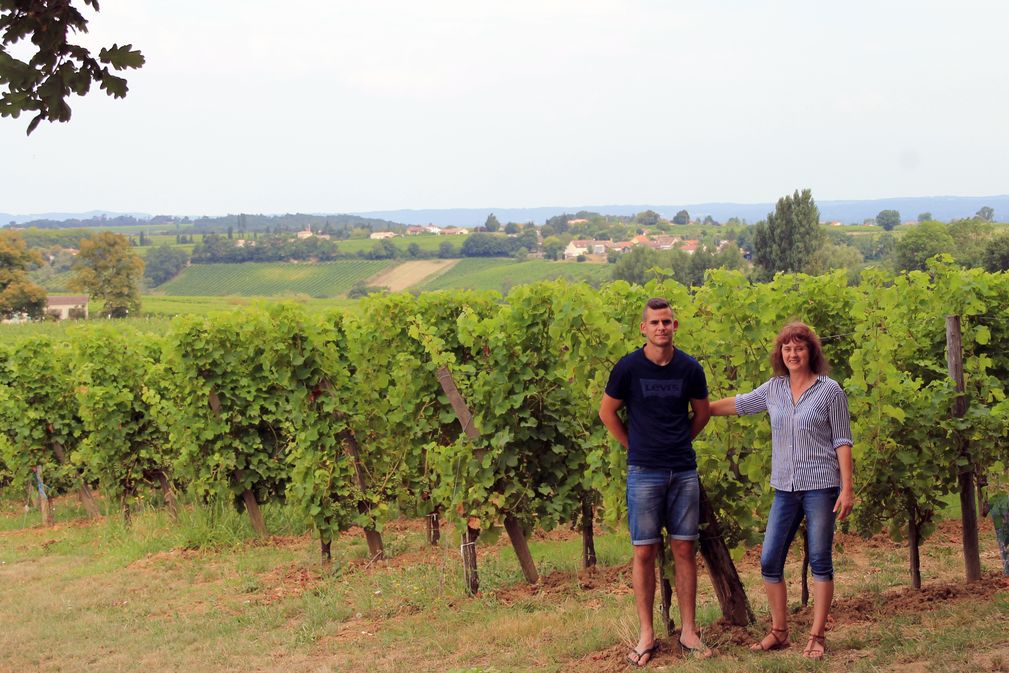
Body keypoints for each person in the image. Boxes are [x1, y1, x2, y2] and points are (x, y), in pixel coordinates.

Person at [709, 321, 854, 659]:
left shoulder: (830, 391)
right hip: (785, 489)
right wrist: (700, 409)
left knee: (820, 560)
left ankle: (817, 635)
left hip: (822, 487)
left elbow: (842, 441)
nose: (793, 353)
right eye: (787, 348)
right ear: (781, 353)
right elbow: (740, 404)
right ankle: (780, 631)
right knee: (769, 560)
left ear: (811, 352)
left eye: (799, 347)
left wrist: (847, 488)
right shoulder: (774, 388)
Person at [599, 297, 711, 667]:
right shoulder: (628, 368)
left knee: (684, 550)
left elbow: (702, 412)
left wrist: (680, 441)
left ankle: (689, 631)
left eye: (667, 322)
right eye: (655, 323)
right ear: (643, 329)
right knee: (644, 552)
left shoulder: (690, 369)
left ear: (675, 326)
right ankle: (646, 633)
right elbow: (607, 411)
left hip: (682, 471)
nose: (662, 328)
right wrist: (635, 446)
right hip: (643, 472)